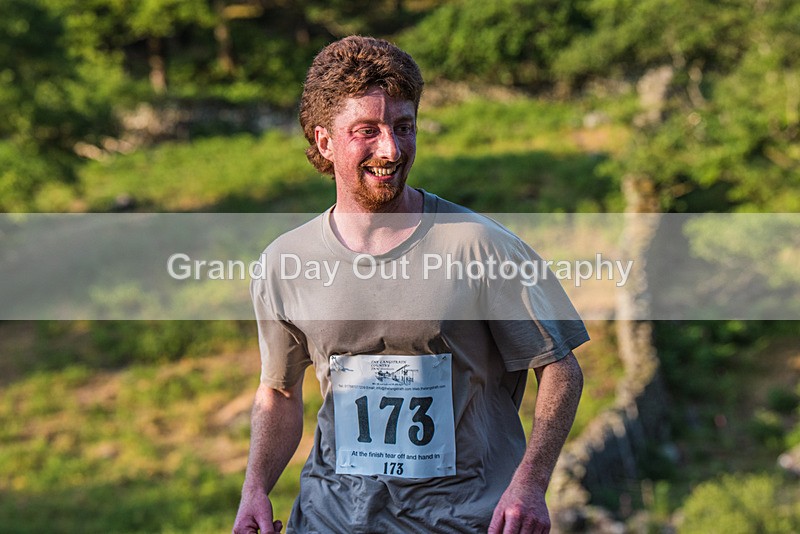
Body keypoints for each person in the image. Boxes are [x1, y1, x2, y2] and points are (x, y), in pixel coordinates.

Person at [233, 36, 587, 534]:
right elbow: (280, 393)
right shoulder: (285, 262)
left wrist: (530, 483)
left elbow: (561, 370)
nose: (391, 149)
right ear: (323, 140)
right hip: (329, 520)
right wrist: (255, 489)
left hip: (464, 521)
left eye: (404, 126)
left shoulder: (480, 245)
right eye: (367, 130)